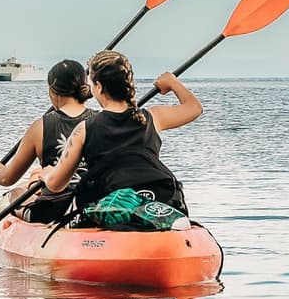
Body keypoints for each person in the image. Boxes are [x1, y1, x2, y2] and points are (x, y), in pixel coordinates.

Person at [38, 49, 201, 219]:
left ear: (99, 87)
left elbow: (57, 184)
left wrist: (47, 173)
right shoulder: (153, 117)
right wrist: (173, 83)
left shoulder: (83, 129)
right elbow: (194, 108)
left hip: (110, 203)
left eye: (92, 83)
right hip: (157, 195)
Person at [0, 59, 91, 223]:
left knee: (15, 193)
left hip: (52, 210)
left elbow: (7, 179)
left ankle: (29, 215)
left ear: (52, 91)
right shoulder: (101, 121)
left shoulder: (40, 127)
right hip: (92, 203)